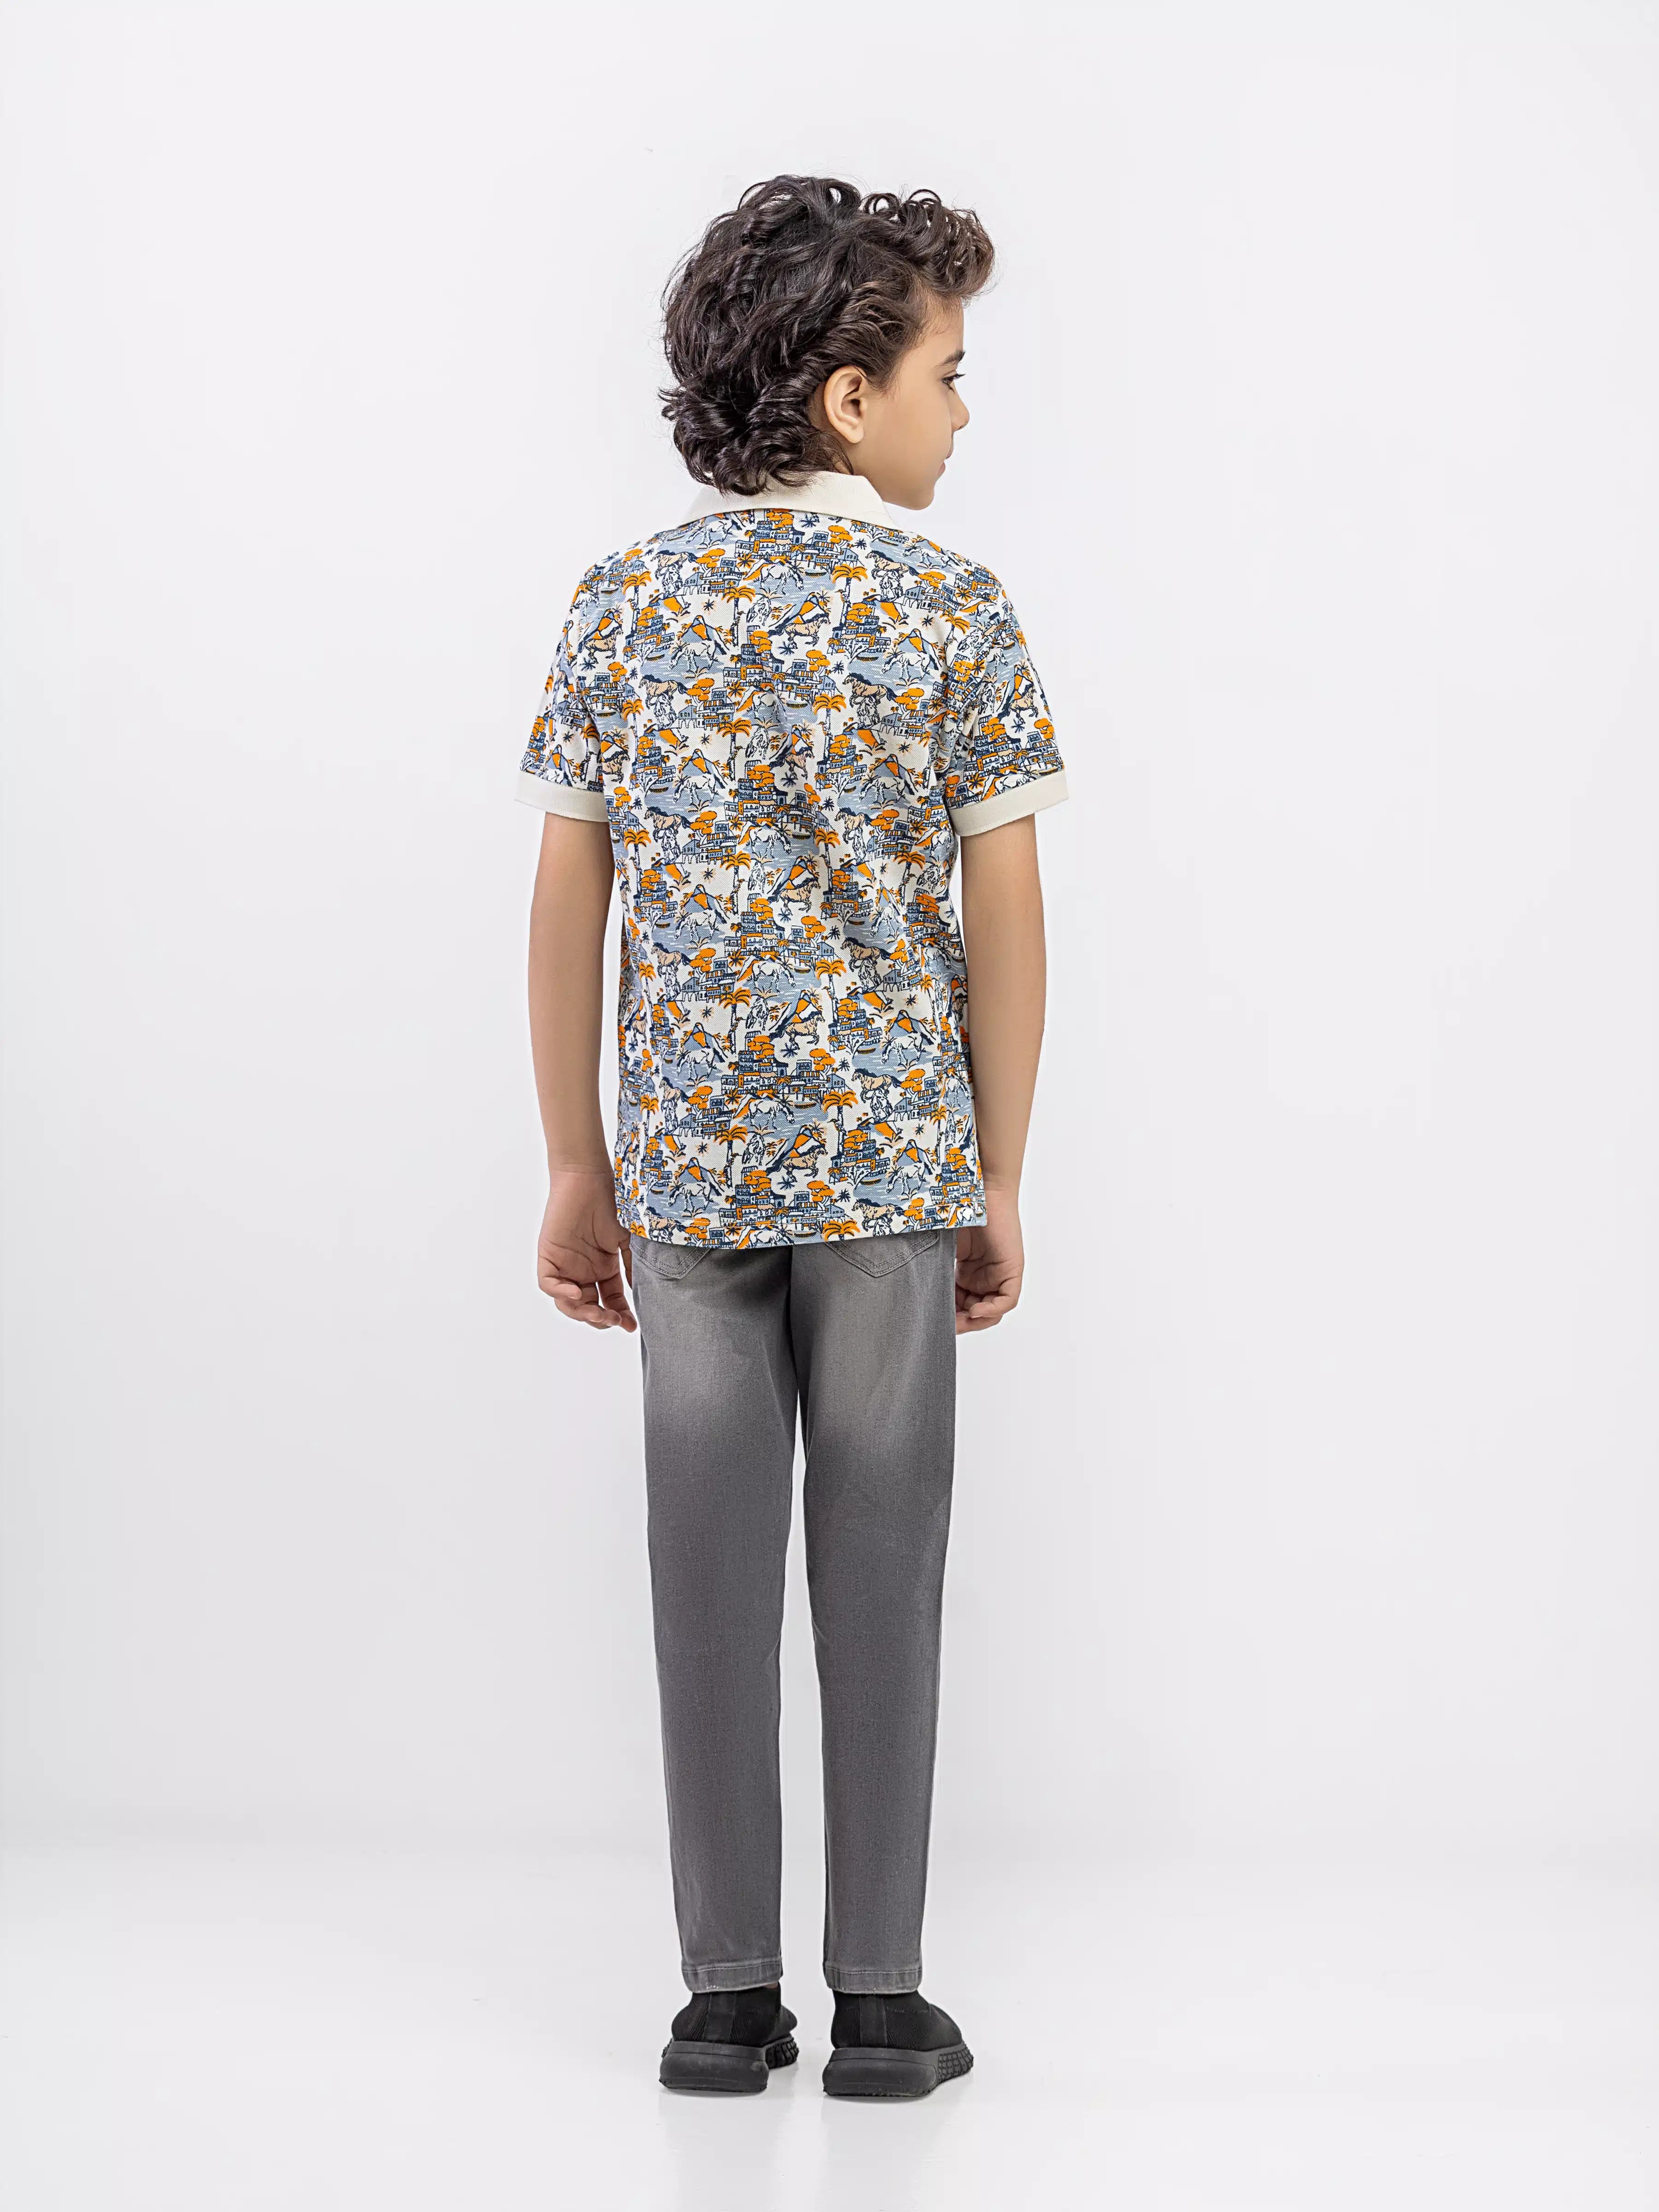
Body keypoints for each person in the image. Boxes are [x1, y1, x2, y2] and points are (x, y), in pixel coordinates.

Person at [518, 175, 1068, 2100]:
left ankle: (725, 1998)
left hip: (687, 1178)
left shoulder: (626, 602)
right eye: (947, 372)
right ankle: (887, 2002)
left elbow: (570, 895)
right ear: (851, 395)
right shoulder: (952, 611)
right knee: (885, 1572)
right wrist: (1000, 1173)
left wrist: (575, 1160)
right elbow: (1007, 915)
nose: (961, 412)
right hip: (896, 1176)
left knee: (707, 1577)